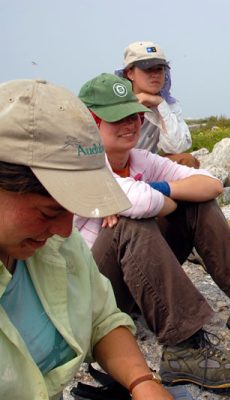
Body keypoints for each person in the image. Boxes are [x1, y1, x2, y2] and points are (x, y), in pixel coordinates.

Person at [75, 73, 230, 393]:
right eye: (118, 118)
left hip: (129, 284)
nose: (131, 124)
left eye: (134, 115)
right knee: (131, 223)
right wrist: (163, 199)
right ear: (90, 121)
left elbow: (210, 183)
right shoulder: (82, 166)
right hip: (93, 296)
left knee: (197, 205)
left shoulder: (137, 158)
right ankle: (183, 347)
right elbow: (140, 201)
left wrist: (161, 194)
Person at [0, 79, 172, 400]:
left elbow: (102, 318)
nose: (66, 231)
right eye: (49, 212)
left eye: (73, 210)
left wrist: (142, 383)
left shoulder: (57, 243)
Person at [116, 40, 199, 168]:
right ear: (130, 73)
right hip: (117, 167)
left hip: (147, 166)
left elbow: (176, 147)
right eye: (148, 69)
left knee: (187, 161)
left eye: (159, 69)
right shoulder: (115, 103)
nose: (155, 75)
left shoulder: (169, 105)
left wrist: (159, 104)